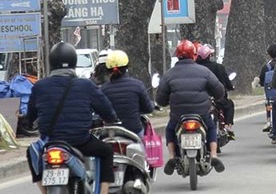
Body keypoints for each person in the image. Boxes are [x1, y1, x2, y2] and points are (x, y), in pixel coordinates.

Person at [26, 43, 119, 194]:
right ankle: (103, 191)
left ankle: (44, 191)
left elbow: (30, 116)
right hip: (80, 141)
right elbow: (106, 110)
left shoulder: (39, 86)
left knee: (31, 153)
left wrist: (30, 123)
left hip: (50, 142)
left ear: (52, 62)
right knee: (107, 151)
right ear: (74, 62)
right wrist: (111, 118)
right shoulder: (86, 85)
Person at [156, 40, 226, 175]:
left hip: (178, 115)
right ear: (193, 55)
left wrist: (165, 102)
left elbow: (160, 98)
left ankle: (171, 157)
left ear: (177, 56)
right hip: (201, 113)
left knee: (170, 129)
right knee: (211, 126)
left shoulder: (169, 74)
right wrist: (217, 97)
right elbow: (219, 90)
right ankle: (213, 154)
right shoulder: (204, 71)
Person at [100, 50, 154, 137]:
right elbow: (148, 108)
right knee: (142, 146)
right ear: (126, 67)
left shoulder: (103, 89)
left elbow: (100, 111)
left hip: (111, 132)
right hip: (134, 130)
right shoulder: (137, 85)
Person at [196, 44, 236, 139]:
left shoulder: (195, 68)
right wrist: (230, 87)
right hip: (217, 98)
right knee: (229, 105)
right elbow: (226, 82)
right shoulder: (218, 67)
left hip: (198, 100)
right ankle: (227, 126)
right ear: (209, 56)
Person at [259, 45, 276, 132]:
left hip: (271, 93)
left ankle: (269, 120)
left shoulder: (266, 67)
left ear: (269, 54)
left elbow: (262, 81)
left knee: (268, 103)